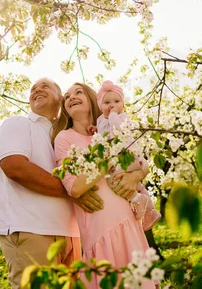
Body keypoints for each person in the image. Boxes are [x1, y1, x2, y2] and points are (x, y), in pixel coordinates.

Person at [0, 78, 104, 289]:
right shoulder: (18, 124)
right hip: (31, 230)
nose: (37, 90)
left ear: (61, 99)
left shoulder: (65, 137)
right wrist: (73, 191)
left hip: (72, 235)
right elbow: (14, 166)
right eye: (33, 89)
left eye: (45, 86)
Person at [53, 82, 156, 289]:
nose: (71, 97)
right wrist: (108, 156)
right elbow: (74, 187)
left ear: (93, 99)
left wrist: (136, 176)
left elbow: (140, 160)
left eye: (78, 92)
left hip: (128, 222)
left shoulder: (109, 129)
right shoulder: (64, 138)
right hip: (99, 229)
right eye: (67, 96)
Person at [95, 80, 161, 231]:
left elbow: (118, 129)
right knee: (136, 185)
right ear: (100, 106)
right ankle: (149, 211)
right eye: (107, 102)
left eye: (117, 101)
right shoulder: (100, 120)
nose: (112, 105)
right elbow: (101, 133)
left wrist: (112, 115)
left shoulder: (122, 117)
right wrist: (94, 128)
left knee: (115, 181)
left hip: (127, 155)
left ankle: (138, 200)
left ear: (123, 104)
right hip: (117, 159)